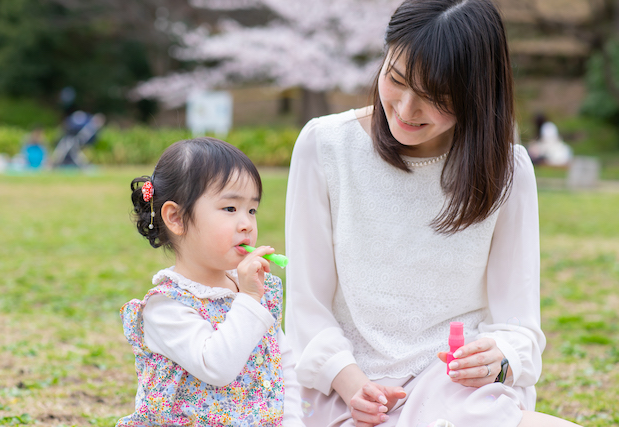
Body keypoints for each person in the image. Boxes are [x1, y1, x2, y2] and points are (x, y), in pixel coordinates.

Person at [284, 0, 582, 426]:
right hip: (351, 395)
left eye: (435, 98)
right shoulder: (325, 146)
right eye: (396, 79)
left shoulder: (507, 171)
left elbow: (519, 328)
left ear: (477, 96)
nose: (405, 110)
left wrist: (498, 359)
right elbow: (306, 309)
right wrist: (352, 385)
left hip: (457, 399)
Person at [117, 137, 305, 426]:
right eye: (230, 209)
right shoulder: (166, 307)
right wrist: (250, 299)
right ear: (176, 218)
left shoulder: (253, 288)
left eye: (252, 210)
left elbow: (283, 363)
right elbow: (217, 366)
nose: (246, 224)